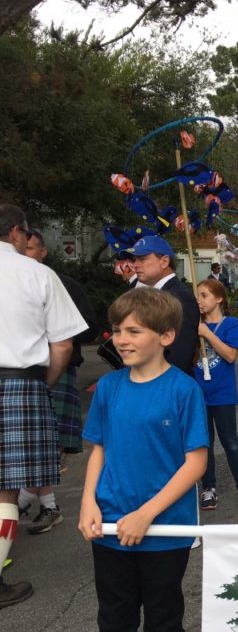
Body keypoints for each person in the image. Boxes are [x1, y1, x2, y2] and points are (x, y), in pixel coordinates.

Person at [78, 286, 208, 632]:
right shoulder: (109, 388)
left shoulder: (184, 389)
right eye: (117, 330)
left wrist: (146, 514)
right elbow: (100, 448)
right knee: (114, 630)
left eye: (134, 330)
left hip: (164, 535)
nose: (122, 338)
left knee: (164, 629)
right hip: (110, 532)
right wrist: (88, 503)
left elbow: (194, 462)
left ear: (167, 335)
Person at [0, 205, 86, 608]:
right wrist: (42, 384)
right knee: (6, 491)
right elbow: (64, 344)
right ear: (17, 232)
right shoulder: (37, 274)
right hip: (19, 383)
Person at [20, 228, 98, 534]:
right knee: (27, 445)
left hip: (59, 368)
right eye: (21, 249)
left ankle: (24, 500)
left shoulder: (63, 284)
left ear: (43, 252)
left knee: (49, 445)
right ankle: (48, 506)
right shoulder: (10, 283)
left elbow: (90, 329)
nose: (25, 254)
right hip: (21, 371)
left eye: (31, 249)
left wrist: (56, 329)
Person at [195, 279, 238, 511]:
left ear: (219, 298)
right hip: (198, 394)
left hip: (223, 393)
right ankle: (208, 487)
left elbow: (230, 355)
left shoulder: (231, 324)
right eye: (198, 296)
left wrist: (207, 334)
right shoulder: (194, 324)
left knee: (230, 441)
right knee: (204, 443)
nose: (199, 301)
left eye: (204, 295)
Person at [128, 236, 200, 377]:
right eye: (134, 259)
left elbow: (180, 353)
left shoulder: (179, 297)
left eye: (142, 259)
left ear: (164, 261)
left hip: (167, 388)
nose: (135, 265)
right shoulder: (159, 294)